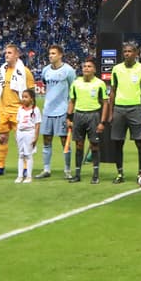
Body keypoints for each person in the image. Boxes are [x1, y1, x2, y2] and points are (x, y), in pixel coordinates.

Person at [104, 43, 141, 184]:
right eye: (125, 51)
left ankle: (140, 173)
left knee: (140, 142)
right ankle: (120, 173)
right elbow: (113, 91)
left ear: (136, 53)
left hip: (135, 109)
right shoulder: (116, 69)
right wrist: (111, 112)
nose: (127, 53)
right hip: (119, 109)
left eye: (130, 51)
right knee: (118, 143)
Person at [0, 44, 35, 176]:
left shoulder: (25, 71)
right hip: (3, 109)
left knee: (21, 140)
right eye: (6, 53)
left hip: (18, 110)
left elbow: (31, 90)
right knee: (2, 138)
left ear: (17, 55)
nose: (7, 55)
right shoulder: (2, 70)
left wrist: (29, 108)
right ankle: (0, 167)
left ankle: (26, 167)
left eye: (10, 53)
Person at [67, 58, 108, 184]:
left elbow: (105, 103)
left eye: (89, 66)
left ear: (94, 70)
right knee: (79, 145)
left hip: (93, 115)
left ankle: (95, 175)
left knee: (94, 145)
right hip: (79, 115)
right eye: (85, 66)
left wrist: (102, 122)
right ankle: (77, 174)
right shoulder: (76, 83)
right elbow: (72, 101)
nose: (86, 68)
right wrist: (69, 118)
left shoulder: (100, 84)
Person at [37, 45, 76, 179]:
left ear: (60, 55)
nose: (50, 55)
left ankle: (67, 170)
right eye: (50, 53)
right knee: (46, 140)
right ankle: (46, 169)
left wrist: (70, 112)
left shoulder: (68, 70)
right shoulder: (45, 70)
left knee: (65, 141)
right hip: (48, 110)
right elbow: (45, 84)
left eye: (53, 53)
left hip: (62, 111)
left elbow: (73, 90)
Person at [15, 89, 42, 184]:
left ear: (32, 98)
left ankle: (29, 176)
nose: (24, 99)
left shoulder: (35, 110)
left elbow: (37, 124)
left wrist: (36, 137)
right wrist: (16, 134)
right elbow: (18, 122)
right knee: (21, 155)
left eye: (26, 97)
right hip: (20, 133)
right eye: (23, 97)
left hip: (29, 133)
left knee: (28, 155)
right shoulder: (20, 109)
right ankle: (20, 175)